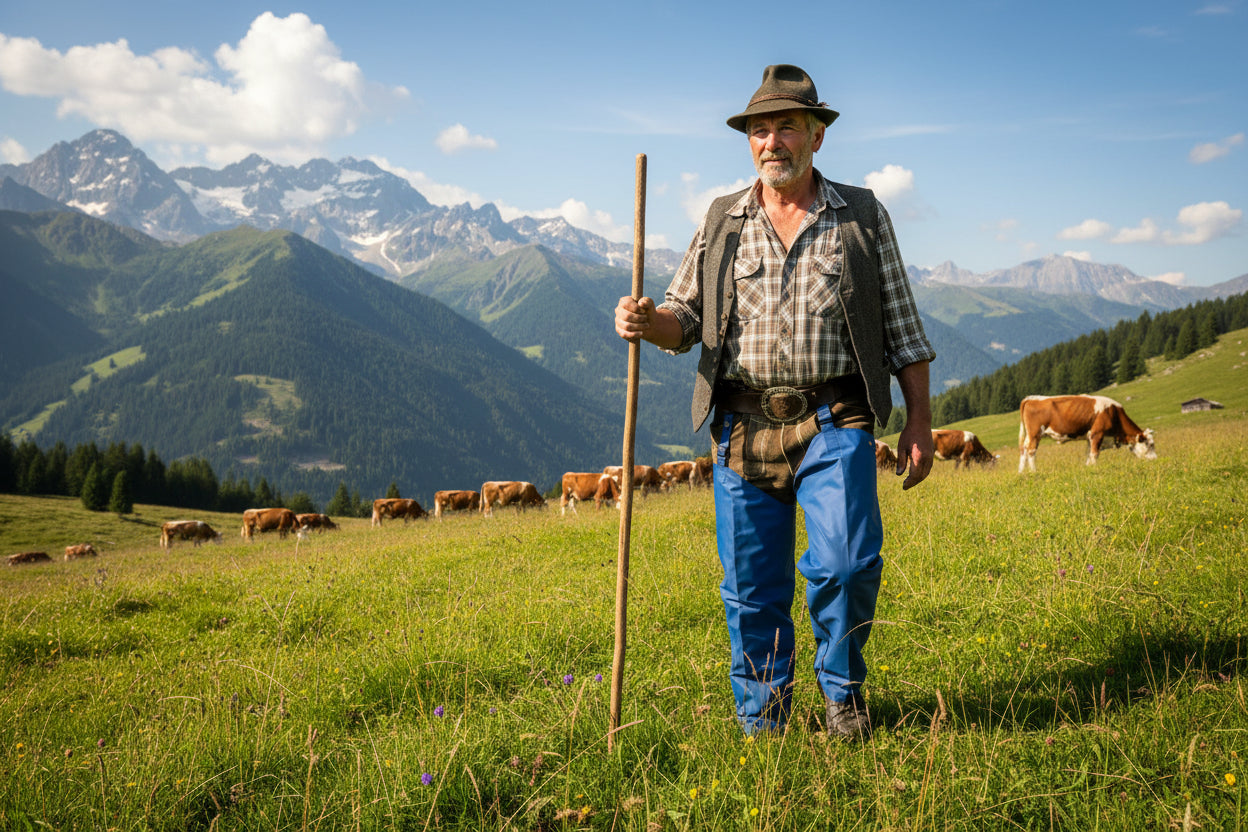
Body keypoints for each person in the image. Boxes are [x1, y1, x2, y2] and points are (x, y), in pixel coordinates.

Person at [614, 64, 935, 739]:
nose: (771, 141)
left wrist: (920, 425)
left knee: (846, 566)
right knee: (752, 592)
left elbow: (904, 329)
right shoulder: (722, 220)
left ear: (817, 135)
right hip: (740, 427)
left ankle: (843, 697)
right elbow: (684, 318)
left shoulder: (862, 216)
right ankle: (765, 724)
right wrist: (649, 322)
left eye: (786, 126)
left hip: (833, 418)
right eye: (759, 129)